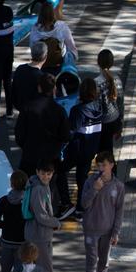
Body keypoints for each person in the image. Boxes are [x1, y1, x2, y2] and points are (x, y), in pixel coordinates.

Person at [15, 73, 73, 216]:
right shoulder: (59, 110)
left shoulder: (28, 107)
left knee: (24, 185)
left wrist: (26, 146)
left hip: (30, 156)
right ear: (54, 89)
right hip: (51, 158)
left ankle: (23, 211)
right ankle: (56, 209)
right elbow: (66, 135)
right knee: (53, 185)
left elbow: (19, 134)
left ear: (39, 87)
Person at [80, 151, 125, 272]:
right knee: (91, 263)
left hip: (107, 231)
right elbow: (84, 204)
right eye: (98, 165)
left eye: (104, 165)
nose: (101, 168)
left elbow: (119, 211)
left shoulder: (118, 186)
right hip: (91, 229)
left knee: (104, 262)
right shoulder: (91, 181)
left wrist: (116, 232)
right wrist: (94, 189)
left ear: (111, 165)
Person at [24, 162, 64, 272]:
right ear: (37, 171)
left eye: (49, 174)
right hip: (40, 237)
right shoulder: (39, 189)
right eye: (43, 173)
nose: (46, 176)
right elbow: (41, 216)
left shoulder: (35, 184)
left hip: (34, 235)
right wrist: (56, 222)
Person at [68, 77, 105, 215]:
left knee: (60, 171)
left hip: (77, 150)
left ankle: (66, 203)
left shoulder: (77, 110)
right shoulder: (99, 108)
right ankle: (81, 207)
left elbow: (71, 132)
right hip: (91, 149)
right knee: (82, 177)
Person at [28, 0, 78, 74]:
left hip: (41, 66)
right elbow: (72, 47)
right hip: (58, 65)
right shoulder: (61, 26)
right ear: (53, 13)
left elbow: (32, 48)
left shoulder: (35, 29)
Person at [95, 49, 123, 154]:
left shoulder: (96, 82)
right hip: (114, 119)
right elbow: (120, 102)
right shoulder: (117, 80)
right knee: (107, 148)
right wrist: (120, 124)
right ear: (112, 63)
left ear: (98, 62)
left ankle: (111, 169)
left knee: (104, 151)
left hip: (103, 122)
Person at [10, 42, 48, 115]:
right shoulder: (42, 77)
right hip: (36, 114)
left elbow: (14, 90)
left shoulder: (20, 69)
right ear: (45, 57)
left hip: (21, 109)